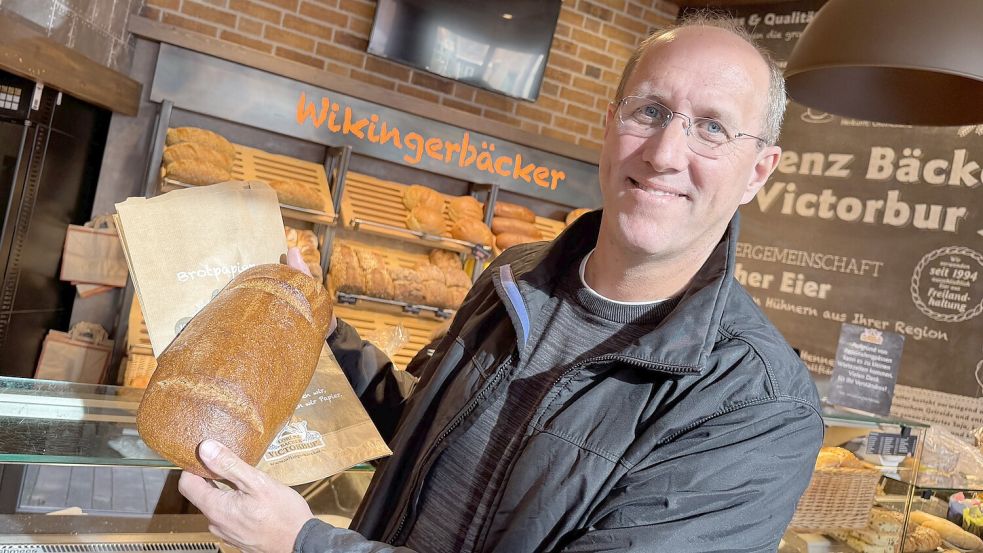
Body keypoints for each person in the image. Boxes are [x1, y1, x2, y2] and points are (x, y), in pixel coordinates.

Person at [179, 13, 824, 553]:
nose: (663, 153)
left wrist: (305, 543)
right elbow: (417, 434)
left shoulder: (755, 403)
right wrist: (324, 331)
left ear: (757, 172)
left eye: (712, 127)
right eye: (649, 111)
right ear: (608, 123)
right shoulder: (515, 277)